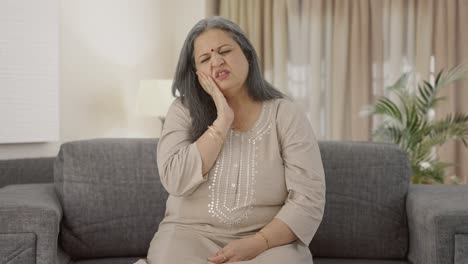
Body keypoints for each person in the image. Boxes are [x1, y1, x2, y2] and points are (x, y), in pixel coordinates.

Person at [134, 16, 325, 264]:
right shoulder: (182, 111)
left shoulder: (285, 113)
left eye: (225, 51)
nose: (217, 60)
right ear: (196, 73)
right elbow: (175, 179)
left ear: (247, 55)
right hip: (188, 236)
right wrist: (222, 121)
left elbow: (308, 199)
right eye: (205, 59)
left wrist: (258, 243)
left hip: (267, 241)